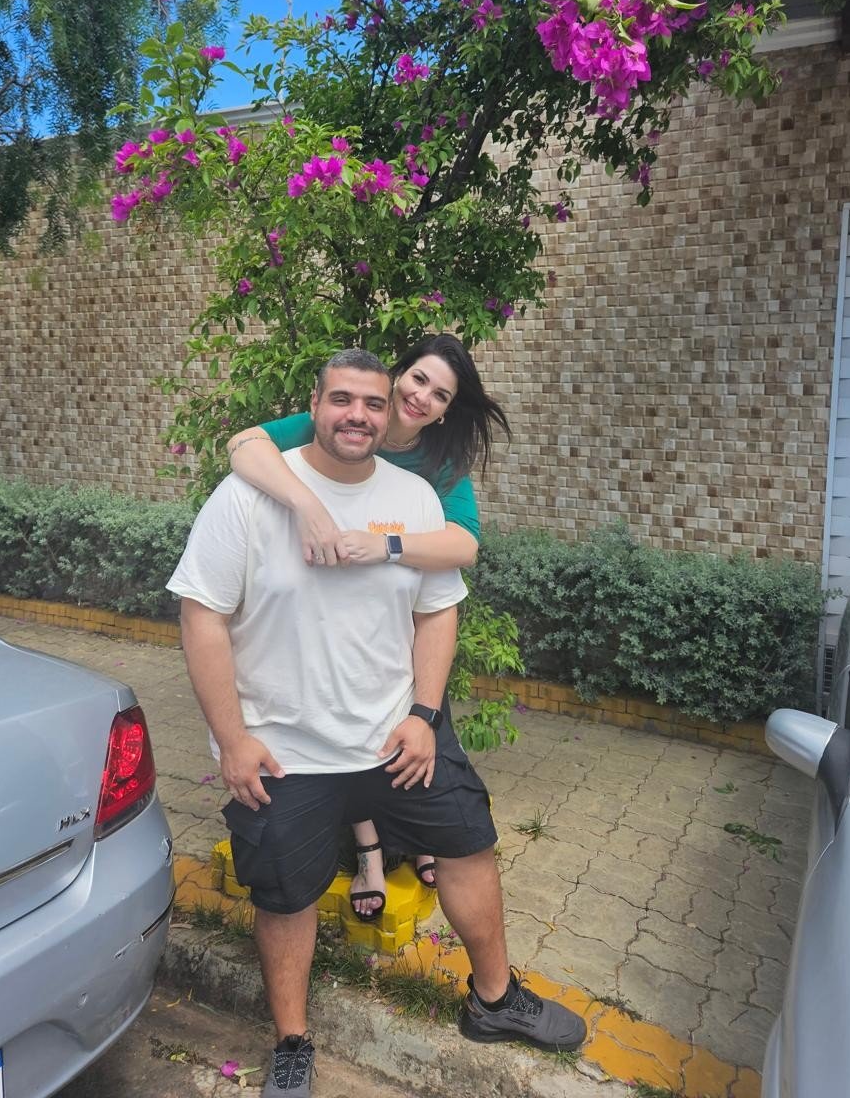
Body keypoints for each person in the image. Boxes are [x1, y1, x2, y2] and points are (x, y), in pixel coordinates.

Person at [168, 350, 586, 1096]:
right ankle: (292, 1041)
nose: (356, 415)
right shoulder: (248, 495)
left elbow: (438, 611)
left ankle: (494, 1002)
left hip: (397, 736)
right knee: (285, 893)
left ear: (389, 412)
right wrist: (232, 740)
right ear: (314, 405)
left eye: (370, 403)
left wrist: (425, 714)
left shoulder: (418, 496)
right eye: (342, 400)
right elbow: (202, 615)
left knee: (469, 842)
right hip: (284, 751)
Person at [225, 333, 510, 918]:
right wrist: (307, 506)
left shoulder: (438, 463)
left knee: (416, 755)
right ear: (397, 376)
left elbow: (464, 544)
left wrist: (387, 546)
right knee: (343, 744)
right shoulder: (346, 422)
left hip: (396, 632)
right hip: (318, 631)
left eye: (440, 394)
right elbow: (243, 446)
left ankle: (426, 842)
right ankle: (370, 858)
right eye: (419, 379)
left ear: (446, 410)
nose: (422, 397)